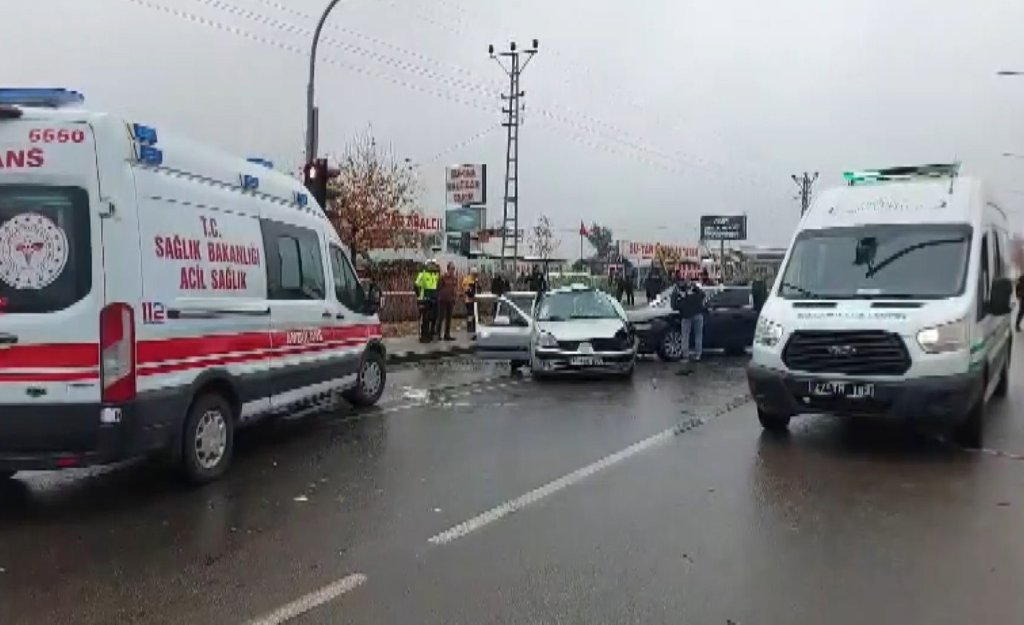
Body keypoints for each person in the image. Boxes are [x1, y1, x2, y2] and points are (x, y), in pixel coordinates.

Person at [671, 276, 707, 375]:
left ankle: (686, 355)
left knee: (685, 335)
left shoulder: (680, 291)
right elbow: (703, 296)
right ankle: (697, 355)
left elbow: (674, 305)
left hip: (687, 315)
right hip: (697, 314)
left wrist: (681, 306)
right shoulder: (696, 289)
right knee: (698, 335)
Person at [414, 260, 440, 342]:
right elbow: (415, 285)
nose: (433, 267)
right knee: (425, 318)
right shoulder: (423, 274)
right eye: (431, 265)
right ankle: (423, 336)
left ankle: (430, 334)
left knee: (432, 317)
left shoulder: (435, 275)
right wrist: (419, 296)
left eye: (434, 265)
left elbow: (436, 287)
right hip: (424, 299)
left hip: (433, 299)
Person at [438, 262, 458, 341]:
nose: (453, 270)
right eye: (452, 268)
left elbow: (454, 289)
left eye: (454, 269)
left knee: (449, 318)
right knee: (441, 317)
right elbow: (439, 287)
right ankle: (438, 334)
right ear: (448, 269)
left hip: (450, 300)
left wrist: (454, 297)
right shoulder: (443, 277)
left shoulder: (454, 278)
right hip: (443, 300)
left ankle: (447, 334)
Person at [462, 266, 479, 337]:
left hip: (475, 300)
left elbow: (478, 289)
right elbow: (465, 288)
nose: (475, 275)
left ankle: (474, 326)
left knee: (474, 314)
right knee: (470, 314)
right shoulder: (467, 279)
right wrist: (469, 290)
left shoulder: (476, 280)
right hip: (468, 300)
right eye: (474, 274)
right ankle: (469, 327)